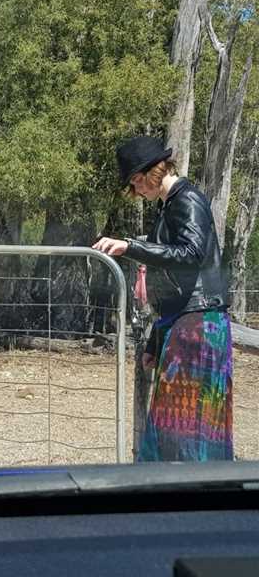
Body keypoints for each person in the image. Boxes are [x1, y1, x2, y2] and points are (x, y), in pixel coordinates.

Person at [93, 135, 233, 462]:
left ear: (156, 170)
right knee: (179, 423)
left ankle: (196, 497)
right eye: (133, 184)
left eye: (139, 180)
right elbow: (175, 282)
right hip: (187, 323)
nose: (138, 189)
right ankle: (182, 496)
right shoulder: (170, 204)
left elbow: (192, 253)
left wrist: (131, 247)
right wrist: (157, 339)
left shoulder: (187, 200)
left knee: (189, 425)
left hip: (200, 325)